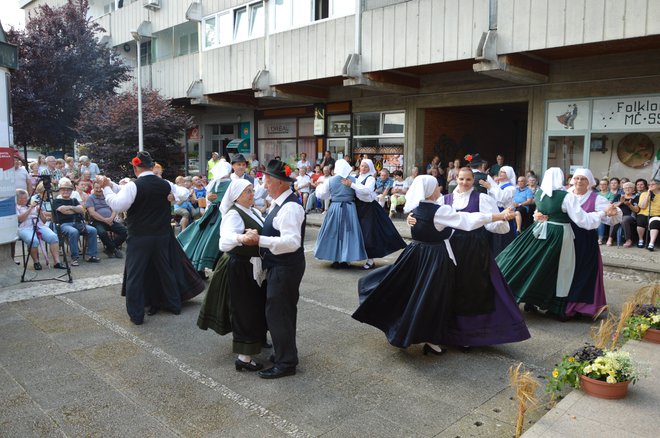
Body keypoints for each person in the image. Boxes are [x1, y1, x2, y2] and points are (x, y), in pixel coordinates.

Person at [355, 175, 523, 354]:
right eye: (436, 187)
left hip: (417, 255)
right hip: (435, 258)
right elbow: (466, 220)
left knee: (419, 295)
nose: (439, 189)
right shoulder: (438, 210)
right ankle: (431, 339)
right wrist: (500, 215)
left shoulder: (417, 209)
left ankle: (425, 334)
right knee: (434, 298)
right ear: (429, 191)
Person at [496, 168, 620, 321]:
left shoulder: (544, 193)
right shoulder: (566, 195)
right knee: (555, 271)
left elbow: (612, 216)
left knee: (564, 271)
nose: (579, 181)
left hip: (582, 241)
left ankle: (571, 306)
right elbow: (583, 219)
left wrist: (609, 212)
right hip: (562, 237)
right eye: (576, 178)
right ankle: (555, 305)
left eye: (583, 179)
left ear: (590, 182)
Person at [99, 151, 205, 325]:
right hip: (162, 235)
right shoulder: (164, 184)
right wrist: (174, 197)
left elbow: (118, 204)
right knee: (165, 269)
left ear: (135, 168)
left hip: (140, 237)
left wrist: (105, 188)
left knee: (135, 275)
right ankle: (174, 304)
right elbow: (185, 192)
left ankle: (136, 314)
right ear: (151, 166)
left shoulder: (134, 186)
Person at [429, 167, 528, 349]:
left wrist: (503, 220)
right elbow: (433, 220)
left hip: (474, 250)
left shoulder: (482, 199)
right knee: (449, 287)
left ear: (473, 180)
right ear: (456, 179)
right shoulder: (444, 200)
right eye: (461, 179)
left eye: (468, 179)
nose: (464, 183)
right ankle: (447, 330)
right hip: (450, 249)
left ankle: (468, 335)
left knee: (472, 291)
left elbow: (494, 226)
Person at [239, 159, 305, 379]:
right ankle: (286, 354)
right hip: (281, 265)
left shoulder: (290, 207)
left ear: (279, 182)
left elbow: (292, 242)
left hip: (286, 266)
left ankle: (286, 362)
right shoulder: (280, 203)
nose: (265, 185)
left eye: (267, 181)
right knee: (282, 312)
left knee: (279, 312)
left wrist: (260, 240)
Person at [197, 179, 268, 372]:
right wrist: (241, 238)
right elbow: (224, 241)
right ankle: (244, 358)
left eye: (252, 190)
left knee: (256, 305)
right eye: (247, 192)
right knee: (244, 309)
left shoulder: (253, 211)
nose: (252, 194)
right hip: (240, 267)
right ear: (236, 196)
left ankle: (258, 338)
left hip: (253, 266)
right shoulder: (233, 214)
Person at [345, 158, 406, 270]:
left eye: (365, 167)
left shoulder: (371, 179)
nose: (363, 168)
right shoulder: (356, 177)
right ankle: (351, 257)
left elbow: (366, 191)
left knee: (369, 234)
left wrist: (352, 185)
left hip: (369, 209)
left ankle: (370, 259)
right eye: (362, 166)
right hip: (357, 208)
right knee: (356, 234)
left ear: (369, 168)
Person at [177, 161, 233, 275]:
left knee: (203, 237)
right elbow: (210, 199)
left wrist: (210, 200)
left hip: (213, 213)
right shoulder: (228, 183)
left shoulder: (214, 183)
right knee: (212, 238)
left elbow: (209, 199)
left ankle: (200, 267)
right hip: (221, 213)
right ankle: (206, 266)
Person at [313, 159, 367, 268]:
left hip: (335, 207)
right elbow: (362, 193)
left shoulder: (330, 180)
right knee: (349, 233)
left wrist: (319, 186)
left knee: (334, 232)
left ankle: (336, 258)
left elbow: (322, 195)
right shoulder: (353, 179)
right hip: (350, 208)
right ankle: (346, 259)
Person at [52, 178, 100, 266]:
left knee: (93, 230)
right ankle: (74, 258)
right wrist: (74, 209)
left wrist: (70, 208)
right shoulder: (56, 201)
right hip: (64, 224)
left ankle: (91, 255)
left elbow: (82, 210)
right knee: (73, 232)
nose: (66, 191)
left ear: (71, 191)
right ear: (60, 191)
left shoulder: (74, 200)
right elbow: (63, 210)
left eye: (68, 189)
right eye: (63, 189)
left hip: (78, 223)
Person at [16, 189, 66, 270]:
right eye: (22, 198)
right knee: (33, 240)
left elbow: (44, 221)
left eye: (26, 198)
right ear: (17, 199)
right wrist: (30, 208)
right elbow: (20, 219)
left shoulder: (32, 206)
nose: (25, 200)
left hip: (39, 226)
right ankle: (36, 262)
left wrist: (41, 212)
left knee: (53, 237)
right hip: (24, 228)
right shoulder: (16, 207)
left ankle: (57, 262)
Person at [86, 181, 127, 259]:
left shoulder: (107, 196)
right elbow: (92, 213)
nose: (98, 190)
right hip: (97, 221)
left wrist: (111, 218)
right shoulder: (90, 198)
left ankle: (109, 249)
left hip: (110, 220)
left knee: (124, 231)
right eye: (96, 188)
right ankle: (114, 250)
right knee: (102, 233)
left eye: (100, 188)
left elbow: (114, 208)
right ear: (93, 188)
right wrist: (105, 220)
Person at [607, 181, 639, 247]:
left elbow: (636, 210)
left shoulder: (636, 197)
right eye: (625, 188)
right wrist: (620, 202)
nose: (627, 189)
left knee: (624, 220)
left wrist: (630, 205)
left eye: (629, 187)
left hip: (629, 215)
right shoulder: (619, 196)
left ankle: (628, 240)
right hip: (617, 214)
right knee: (615, 217)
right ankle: (610, 238)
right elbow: (612, 206)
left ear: (633, 189)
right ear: (623, 189)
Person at [636, 178, 660, 251]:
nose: (650, 186)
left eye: (653, 184)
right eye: (650, 184)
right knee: (641, 221)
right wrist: (648, 195)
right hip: (644, 213)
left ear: (659, 186)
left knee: (654, 223)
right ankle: (641, 240)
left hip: (657, 214)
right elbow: (642, 206)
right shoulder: (644, 194)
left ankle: (651, 243)